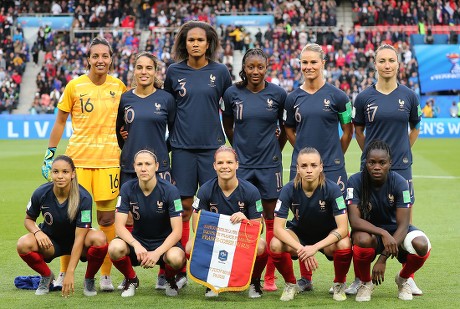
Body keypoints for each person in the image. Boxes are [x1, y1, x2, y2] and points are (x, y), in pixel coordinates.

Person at [41, 37, 127, 291]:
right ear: (88, 59)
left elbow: (126, 121)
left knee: (107, 219)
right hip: (77, 163)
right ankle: (62, 273)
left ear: (111, 59)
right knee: (70, 219)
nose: (100, 60)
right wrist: (50, 154)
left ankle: (105, 275)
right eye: (95, 56)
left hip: (110, 161)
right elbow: (59, 122)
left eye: (105, 56)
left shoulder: (119, 87)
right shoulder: (74, 86)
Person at [164, 20, 232, 283]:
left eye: (200, 40)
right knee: (183, 207)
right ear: (184, 43)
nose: (195, 44)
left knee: (214, 208)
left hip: (212, 149)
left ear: (208, 43)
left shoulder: (220, 71)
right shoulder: (173, 71)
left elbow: (231, 107)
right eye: (190, 40)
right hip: (181, 149)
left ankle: (214, 268)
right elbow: (168, 109)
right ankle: (177, 268)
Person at [353, 43, 423, 296]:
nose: (386, 65)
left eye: (391, 60)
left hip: (402, 168)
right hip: (370, 170)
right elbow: (358, 131)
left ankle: (407, 277)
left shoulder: (409, 96)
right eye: (381, 61)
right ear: (375, 64)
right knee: (365, 220)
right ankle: (360, 277)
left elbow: (415, 127)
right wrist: (368, 153)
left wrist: (402, 152)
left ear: (397, 64)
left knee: (405, 223)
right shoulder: (363, 97)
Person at [283, 43, 353, 292]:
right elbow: (288, 128)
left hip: (333, 169)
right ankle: (306, 279)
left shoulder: (339, 96)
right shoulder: (292, 98)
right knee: (302, 217)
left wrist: (334, 156)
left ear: (323, 63)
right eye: (304, 62)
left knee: (336, 222)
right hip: (300, 169)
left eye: (313, 62)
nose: (309, 67)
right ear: (299, 64)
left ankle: (339, 282)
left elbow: (348, 130)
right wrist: (301, 151)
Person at [222, 48, 287, 292]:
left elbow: (284, 128)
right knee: (241, 221)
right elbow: (228, 126)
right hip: (243, 165)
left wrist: (274, 149)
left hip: (270, 165)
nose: (256, 71)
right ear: (244, 68)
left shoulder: (278, 94)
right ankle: (237, 273)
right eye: (251, 67)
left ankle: (268, 276)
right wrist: (238, 148)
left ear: (267, 67)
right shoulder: (232, 93)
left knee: (270, 222)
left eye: (260, 67)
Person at [115, 51, 177, 290]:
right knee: (128, 218)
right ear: (134, 71)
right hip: (130, 167)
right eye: (139, 67)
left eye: (148, 68)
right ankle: (130, 275)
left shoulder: (166, 99)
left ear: (155, 71)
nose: (143, 72)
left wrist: (162, 152)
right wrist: (129, 150)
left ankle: (164, 273)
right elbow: (118, 131)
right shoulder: (125, 99)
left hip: (160, 168)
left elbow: (175, 132)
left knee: (162, 218)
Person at [346, 140, 431, 302]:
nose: (377, 167)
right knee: (361, 239)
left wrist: (382, 259)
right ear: (366, 163)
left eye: (382, 163)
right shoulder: (355, 181)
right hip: (369, 232)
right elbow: (355, 221)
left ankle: (403, 278)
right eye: (372, 162)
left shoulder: (400, 183)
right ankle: (365, 282)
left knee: (421, 244)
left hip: (397, 232)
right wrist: (383, 232)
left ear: (390, 163)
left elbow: (404, 225)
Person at [17, 155, 108, 297]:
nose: (60, 176)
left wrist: (70, 272)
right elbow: (28, 219)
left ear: (73, 174)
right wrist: (37, 232)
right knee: (23, 243)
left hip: (78, 242)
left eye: (65, 172)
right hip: (51, 243)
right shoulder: (40, 193)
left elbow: (80, 238)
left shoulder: (84, 197)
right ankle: (47, 276)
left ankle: (89, 279)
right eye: (56, 172)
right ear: (51, 173)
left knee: (100, 239)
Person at [270, 147, 352, 302]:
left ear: (321, 167)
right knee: (275, 244)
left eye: (314, 166)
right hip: (299, 235)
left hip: (326, 237)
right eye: (304, 166)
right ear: (297, 168)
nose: (309, 170)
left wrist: (314, 247)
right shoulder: (288, 189)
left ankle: (339, 284)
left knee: (345, 243)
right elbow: (277, 229)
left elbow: (343, 229)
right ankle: (290, 284)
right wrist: (301, 248)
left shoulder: (333, 189)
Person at [189, 146, 268, 298]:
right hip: (214, 238)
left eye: (229, 162)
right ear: (214, 166)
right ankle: (210, 282)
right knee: (190, 246)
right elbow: (196, 226)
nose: (225, 166)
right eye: (220, 163)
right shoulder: (205, 190)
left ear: (237, 165)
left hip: (240, 240)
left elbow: (259, 228)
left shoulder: (251, 191)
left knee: (261, 245)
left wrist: (244, 219)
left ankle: (254, 281)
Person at [108, 149, 185, 297]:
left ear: (156, 166)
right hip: (139, 241)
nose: (143, 168)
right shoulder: (126, 188)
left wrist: (157, 253)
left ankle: (169, 279)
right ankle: (131, 279)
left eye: (148, 164)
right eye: (139, 164)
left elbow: (177, 232)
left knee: (176, 258)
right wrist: (136, 245)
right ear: (134, 167)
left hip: (165, 243)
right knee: (114, 248)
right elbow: (119, 226)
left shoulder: (171, 190)